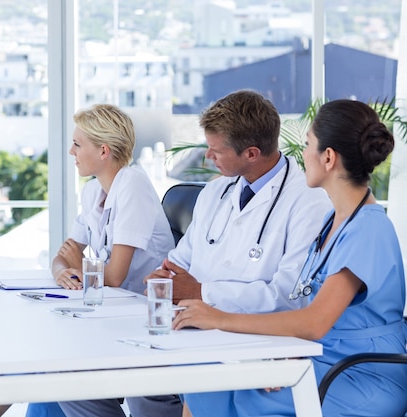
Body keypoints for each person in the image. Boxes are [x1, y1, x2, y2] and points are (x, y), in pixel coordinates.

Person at [57, 90, 332, 417]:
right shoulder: (216, 191)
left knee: (146, 387)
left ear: (251, 153)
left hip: (250, 335)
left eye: (216, 151)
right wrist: (165, 278)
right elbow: (179, 262)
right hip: (191, 326)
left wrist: (202, 292)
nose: (207, 158)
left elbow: (290, 295)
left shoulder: (308, 202)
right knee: (73, 382)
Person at [175, 98, 407, 417]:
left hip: (360, 375)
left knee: (221, 391)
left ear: (328, 158)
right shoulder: (335, 220)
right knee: (206, 385)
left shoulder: (367, 228)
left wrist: (219, 317)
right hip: (320, 358)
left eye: (308, 144)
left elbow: (314, 322)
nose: (300, 156)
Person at [0, 104, 175, 417]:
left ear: (104, 150)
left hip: (139, 322)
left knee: (49, 356)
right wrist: (66, 270)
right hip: (108, 314)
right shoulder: (93, 191)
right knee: (43, 349)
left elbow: (116, 276)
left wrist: (77, 267)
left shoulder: (133, 185)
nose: (71, 151)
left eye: (78, 144)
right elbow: (62, 257)